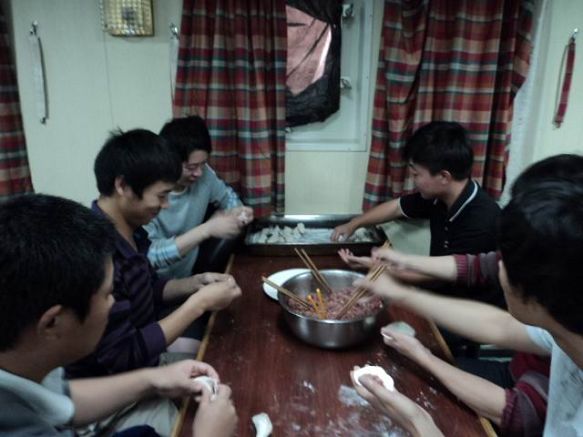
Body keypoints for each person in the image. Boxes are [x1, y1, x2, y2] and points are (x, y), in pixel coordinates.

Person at [351, 156, 583, 436]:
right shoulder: (566, 319)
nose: (497, 267)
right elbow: (501, 326)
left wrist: (419, 422)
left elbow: (521, 411)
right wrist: (401, 294)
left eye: (505, 262)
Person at [0, 194, 237, 437]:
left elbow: (61, 401)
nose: (114, 302)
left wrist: (154, 379)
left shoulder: (25, 362)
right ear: (52, 323)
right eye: (108, 294)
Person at [66, 129, 241, 379]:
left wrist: (196, 283)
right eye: (162, 196)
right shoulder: (97, 255)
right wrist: (199, 304)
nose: (166, 205)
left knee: (226, 349)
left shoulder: (133, 231)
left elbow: (149, 287)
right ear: (123, 186)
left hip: (147, 359)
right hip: (120, 382)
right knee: (226, 370)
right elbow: (123, 355)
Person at [332, 121, 500, 257]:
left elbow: (448, 274)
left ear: (444, 177)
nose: (413, 181)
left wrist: (387, 267)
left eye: (416, 174)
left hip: (454, 288)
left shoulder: (481, 221)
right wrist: (354, 224)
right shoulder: (440, 196)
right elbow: (397, 207)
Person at [145, 116, 253, 279]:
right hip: (155, 285)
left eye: (203, 164)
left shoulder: (205, 175)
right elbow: (150, 256)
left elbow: (229, 199)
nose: (199, 173)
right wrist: (207, 229)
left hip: (189, 277)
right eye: (191, 167)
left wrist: (239, 213)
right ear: (168, 160)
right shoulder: (149, 194)